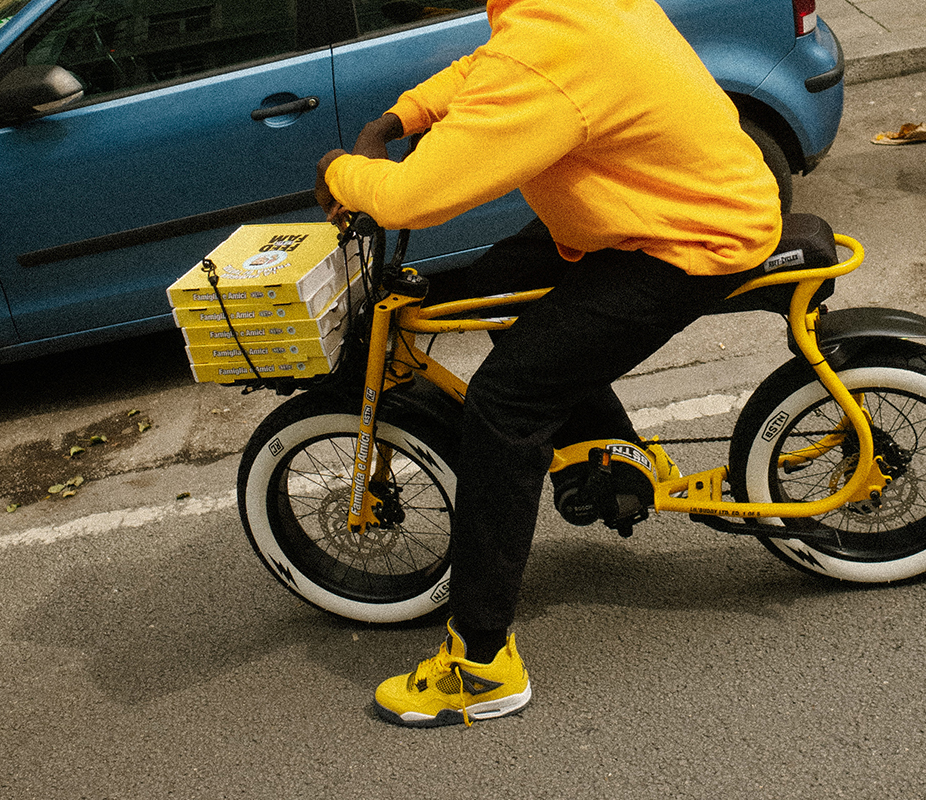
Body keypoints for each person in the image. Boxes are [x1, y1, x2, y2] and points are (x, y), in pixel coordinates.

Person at [315, 0, 782, 728]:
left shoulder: (547, 51)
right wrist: (400, 119)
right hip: (651, 203)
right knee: (495, 296)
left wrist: (344, 173)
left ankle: (481, 665)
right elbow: (486, 69)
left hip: (688, 236)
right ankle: (612, 458)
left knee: (505, 403)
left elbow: (415, 197)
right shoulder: (552, 11)